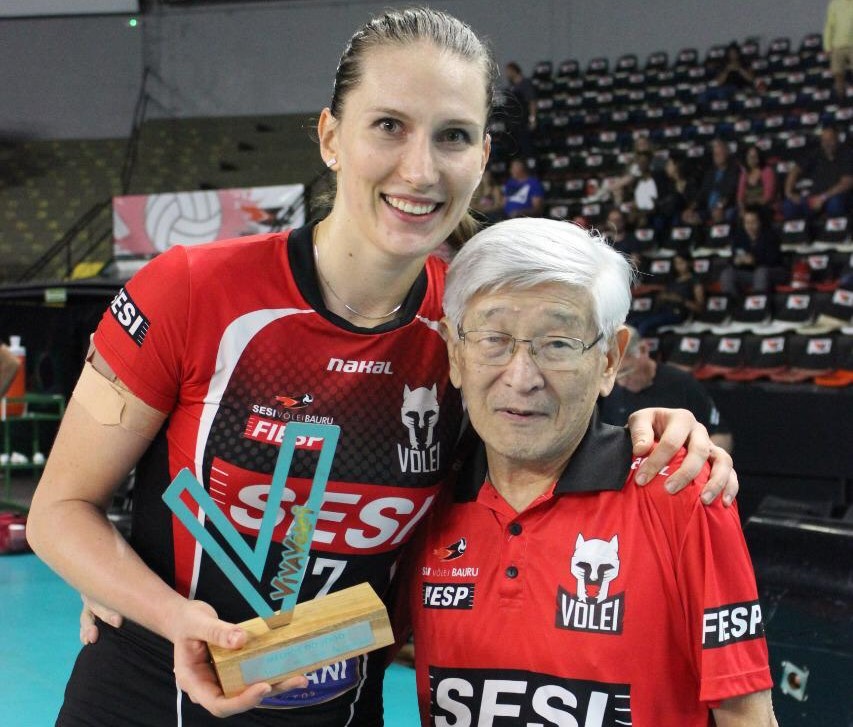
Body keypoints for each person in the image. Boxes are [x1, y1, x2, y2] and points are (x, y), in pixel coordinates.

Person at [26, 8, 734, 727]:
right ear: (331, 137)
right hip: (146, 699)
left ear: (482, 157)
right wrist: (169, 613)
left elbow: (546, 456)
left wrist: (657, 429)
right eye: (389, 125)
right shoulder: (192, 290)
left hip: (340, 710)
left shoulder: (469, 331)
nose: (420, 169)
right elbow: (58, 513)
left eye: (452, 136)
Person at [409, 218, 775, 726]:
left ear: (609, 360)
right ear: (454, 351)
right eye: (493, 339)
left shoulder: (681, 490)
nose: (522, 377)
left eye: (558, 343)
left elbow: (747, 717)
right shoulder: (420, 498)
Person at [600, 326, 734, 452]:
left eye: (626, 371)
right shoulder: (609, 390)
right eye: (615, 375)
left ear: (643, 350)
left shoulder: (681, 383)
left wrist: (702, 461)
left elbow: (720, 435)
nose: (622, 382)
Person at [783, 124, 853, 220]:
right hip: (815, 196)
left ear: (837, 139)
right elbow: (795, 170)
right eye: (824, 141)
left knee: (835, 203)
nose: (827, 143)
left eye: (830, 140)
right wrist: (789, 193)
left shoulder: (847, 154)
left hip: (836, 196)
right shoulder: (815, 154)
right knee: (789, 205)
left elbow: (847, 182)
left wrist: (823, 197)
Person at [720, 206, 787, 299]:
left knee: (761, 272)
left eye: (753, 222)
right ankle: (734, 305)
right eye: (747, 222)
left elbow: (773, 260)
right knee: (727, 274)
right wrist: (736, 261)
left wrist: (754, 260)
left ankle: (758, 305)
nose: (750, 226)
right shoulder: (739, 237)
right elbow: (732, 258)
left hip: (773, 271)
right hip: (750, 273)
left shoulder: (770, 236)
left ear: (760, 222)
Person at [633, 252, 705, 335]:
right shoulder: (673, 279)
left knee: (644, 325)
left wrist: (681, 300)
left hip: (678, 313)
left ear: (689, 263)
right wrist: (663, 297)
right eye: (676, 263)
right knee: (635, 321)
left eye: (681, 262)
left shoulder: (695, 282)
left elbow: (699, 308)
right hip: (663, 310)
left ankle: (641, 342)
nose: (678, 266)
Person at [692, 138, 741, 224]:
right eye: (715, 154)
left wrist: (719, 207)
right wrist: (691, 208)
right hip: (708, 209)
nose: (716, 156)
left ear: (727, 153)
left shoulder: (734, 170)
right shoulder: (710, 172)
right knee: (690, 217)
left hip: (726, 207)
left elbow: (730, 192)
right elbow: (702, 193)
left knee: (724, 214)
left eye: (719, 153)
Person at [502, 61, 537, 159]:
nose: (506, 74)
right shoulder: (511, 87)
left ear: (514, 71)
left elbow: (532, 102)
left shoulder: (525, 84)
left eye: (508, 71)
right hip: (513, 123)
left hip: (523, 122)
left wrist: (532, 119)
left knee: (526, 146)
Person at [737, 144, 777, 219]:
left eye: (755, 156)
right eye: (750, 157)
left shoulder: (767, 171)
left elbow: (768, 197)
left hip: (764, 206)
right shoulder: (744, 173)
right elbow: (740, 196)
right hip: (748, 206)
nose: (752, 159)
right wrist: (742, 208)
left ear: (759, 158)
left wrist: (752, 201)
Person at [824, 0, 853, 99]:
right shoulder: (834, 4)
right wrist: (827, 46)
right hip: (837, 46)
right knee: (838, 73)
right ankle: (841, 99)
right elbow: (829, 26)